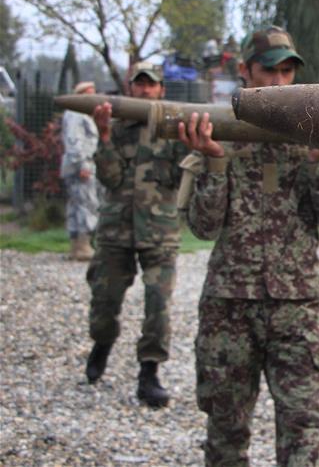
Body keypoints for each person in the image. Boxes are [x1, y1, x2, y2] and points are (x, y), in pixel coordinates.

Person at [178, 25, 319, 466]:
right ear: (245, 72)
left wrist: (318, 165)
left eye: (287, 72)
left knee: (303, 427)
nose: (279, 82)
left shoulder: (316, 138)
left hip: (296, 308)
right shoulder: (218, 134)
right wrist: (215, 163)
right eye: (269, 71)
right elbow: (202, 226)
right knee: (225, 427)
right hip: (228, 306)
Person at [85, 63, 189, 408]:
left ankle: (149, 372)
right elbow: (110, 179)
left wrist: (191, 144)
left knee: (158, 306)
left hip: (159, 232)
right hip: (116, 231)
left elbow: (180, 177)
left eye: (151, 86)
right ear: (131, 89)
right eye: (139, 85)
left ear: (161, 91)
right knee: (104, 301)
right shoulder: (115, 128)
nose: (145, 91)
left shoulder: (173, 130)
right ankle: (102, 343)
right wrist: (102, 136)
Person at [60, 80, 101, 261]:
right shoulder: (77, 113)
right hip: (80, 165)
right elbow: (75, 141)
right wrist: (83, 164)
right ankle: (83, 245)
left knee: (77, 203)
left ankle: (76, 246)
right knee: (86, 202)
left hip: (75, 164)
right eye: (89, 93)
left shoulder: (78, 113)